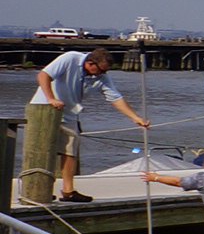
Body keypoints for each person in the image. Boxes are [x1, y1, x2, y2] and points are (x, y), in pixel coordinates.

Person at [28, 45, 152, 202]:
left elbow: (115, 98)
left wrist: (136, 118)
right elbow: (43, 75)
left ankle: (68, 191)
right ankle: (38, 189)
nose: (103, 74)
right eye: (101, 70)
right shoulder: (70, 58)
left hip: (69, 115)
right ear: (90, 63)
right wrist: (51, 98)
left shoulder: (100, 77)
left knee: (69, 152)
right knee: (43, 152)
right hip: (44, 111)